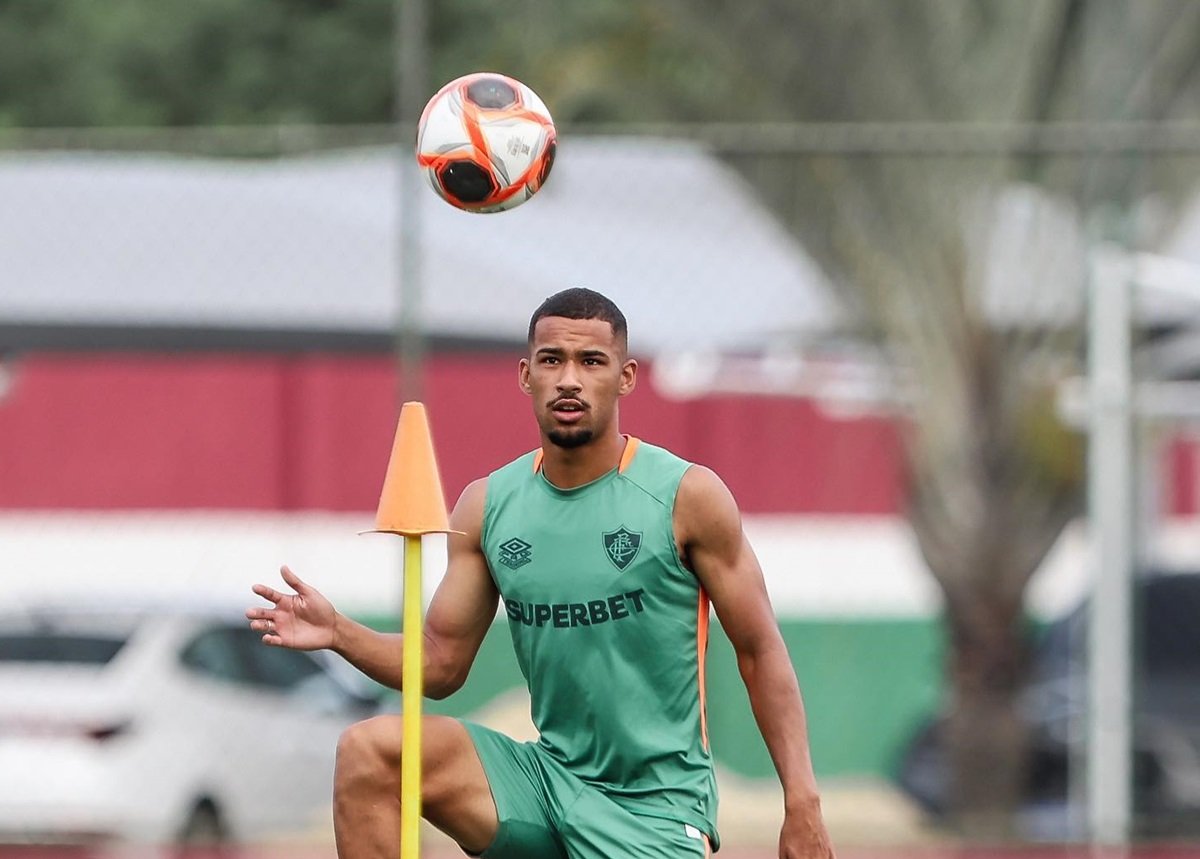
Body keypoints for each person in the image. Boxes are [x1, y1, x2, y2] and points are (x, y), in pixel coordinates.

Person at [247, 287, 835, 859]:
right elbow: (441, 664)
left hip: (655, 811)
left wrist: (802, 801)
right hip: (545, 782)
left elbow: (759, 651)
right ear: (527, 375)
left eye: (591, 361)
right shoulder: (487, 506)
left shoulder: (688, 497)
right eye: (552, 360)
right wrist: (338, 631)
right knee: (372, 750)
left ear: (625, 377)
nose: (570, 379)